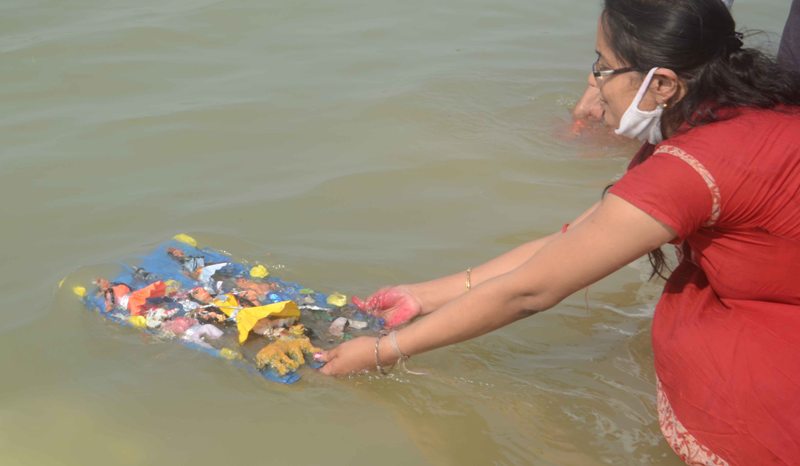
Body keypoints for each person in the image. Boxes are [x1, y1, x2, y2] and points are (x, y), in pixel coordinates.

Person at [319, 0, 800, 463]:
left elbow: (530, 292)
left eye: (604, 66)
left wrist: (382, 352)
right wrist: (423, 296)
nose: (593, 82)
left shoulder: (689, 168)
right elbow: (573, 242)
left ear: (663, 84)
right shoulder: (752, 111)